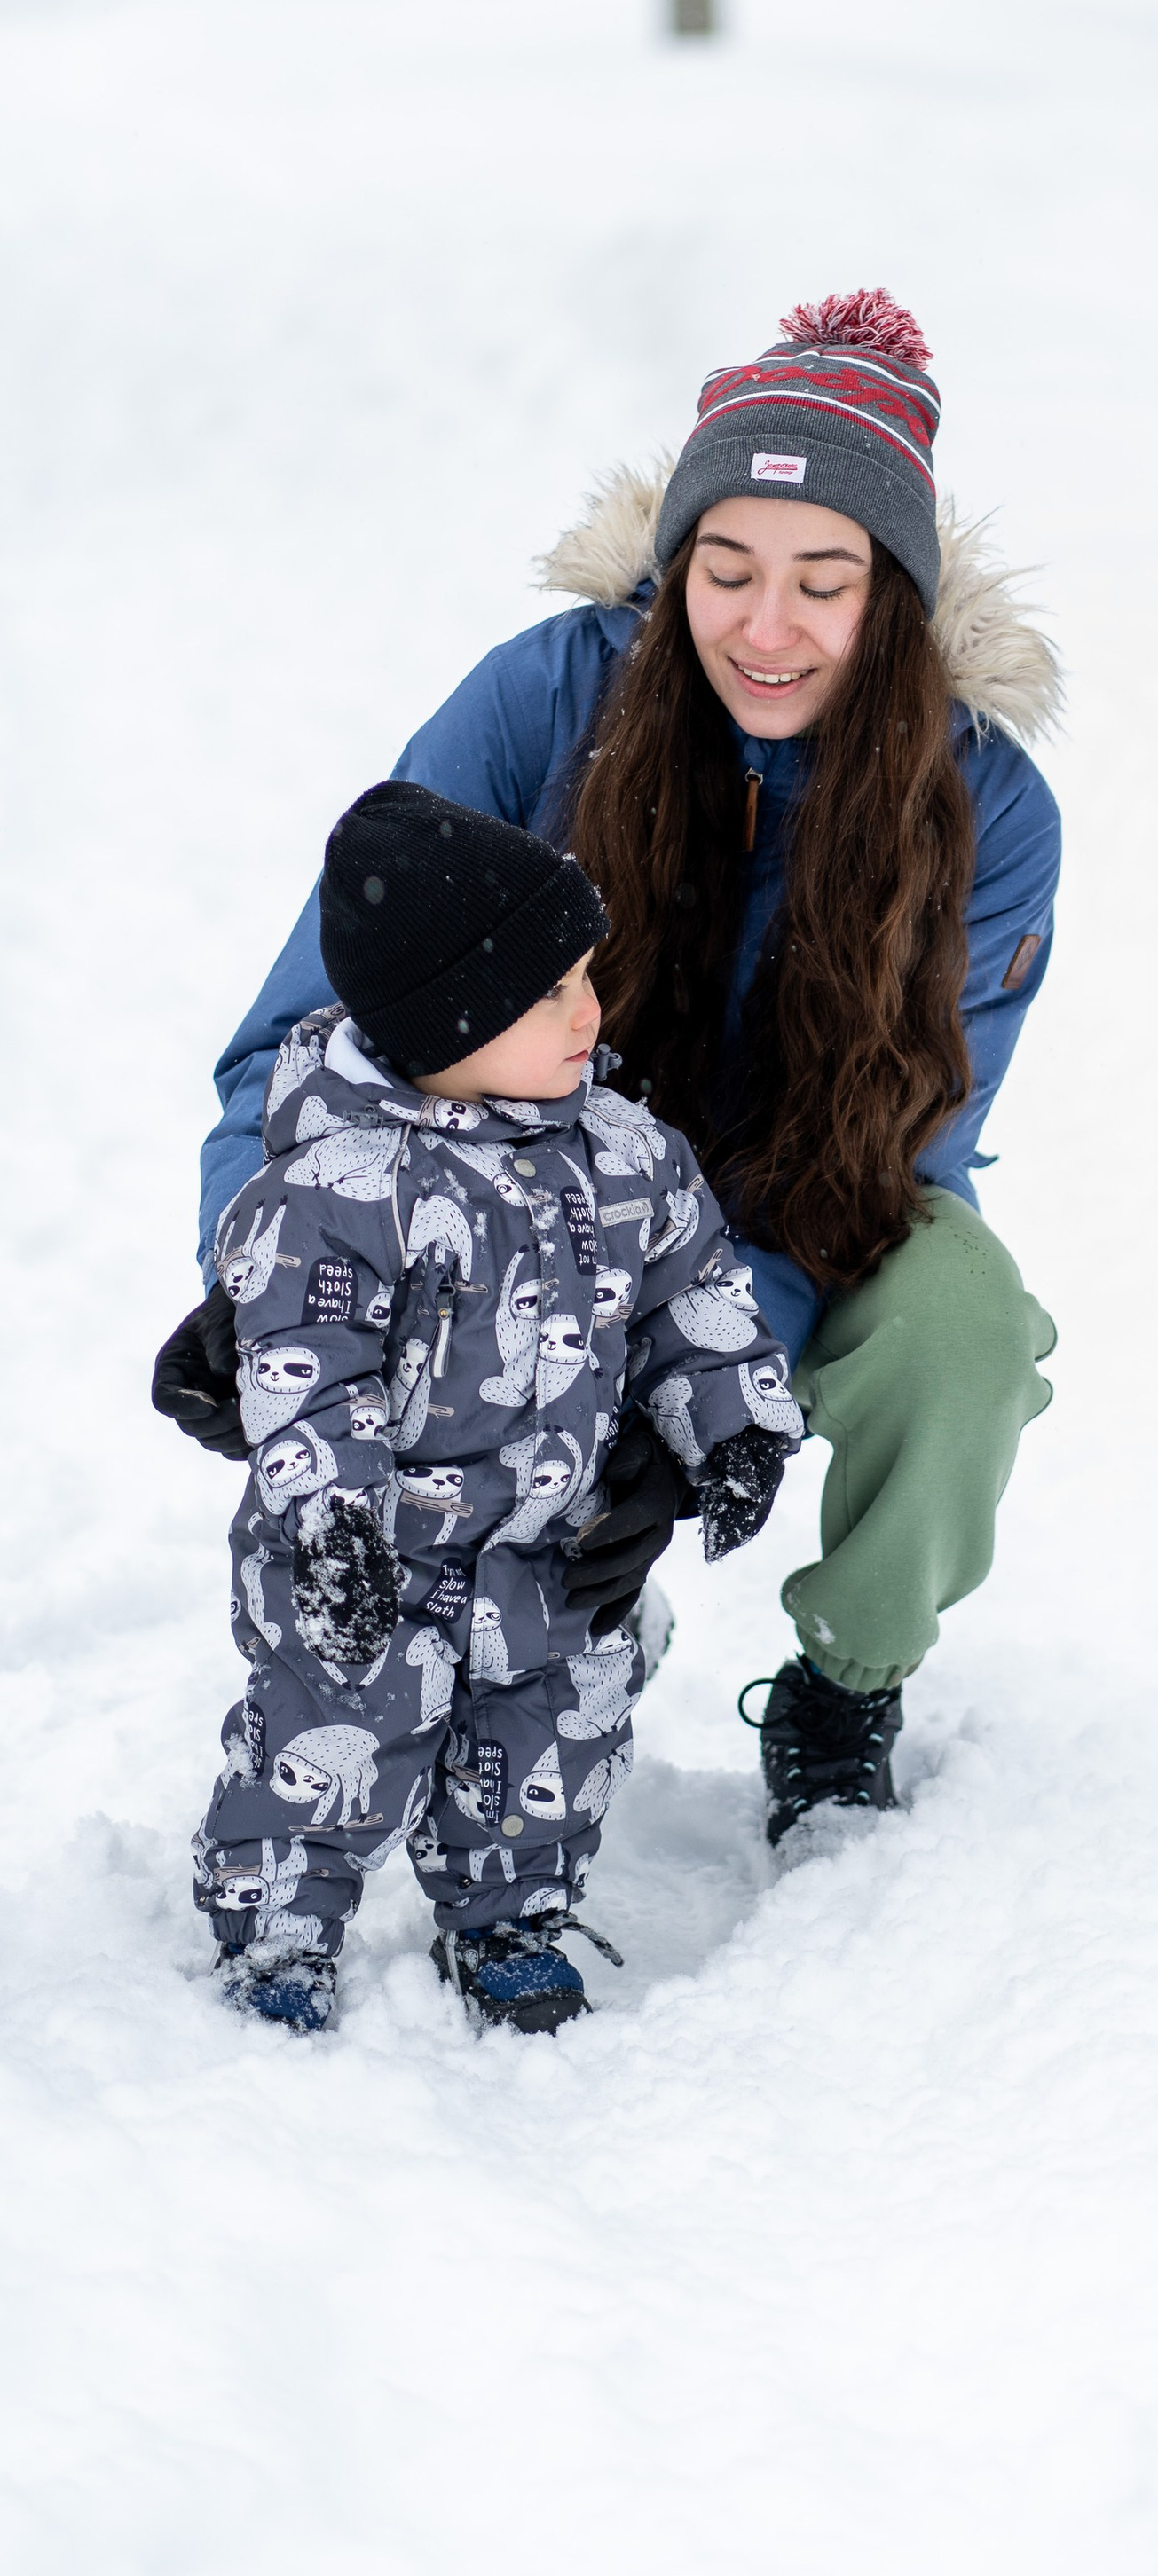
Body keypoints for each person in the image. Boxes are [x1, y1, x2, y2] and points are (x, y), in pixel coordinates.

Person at [156, 290, 1061, 1842]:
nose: (765, 629)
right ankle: (522, 1628)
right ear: (676, 563)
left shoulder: (988, 809)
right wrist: (260, 1269)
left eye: (824, 584)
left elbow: (897, 1149)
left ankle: (848, 1681)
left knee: (963, 1326)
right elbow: (320, 1021)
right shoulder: (547, 695)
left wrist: (682, 1400)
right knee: (427, 1272)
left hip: (804, 1218)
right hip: (515, 1193)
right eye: (728, 571)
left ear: (896, 599)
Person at [199, 781, 805, 2036]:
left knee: (550, 1745)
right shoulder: (333, 1193)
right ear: (443, 1024)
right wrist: (335, 1528)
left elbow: (694, 1297)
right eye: (549, 994)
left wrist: (734, 1428)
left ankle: (512, 1918)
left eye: (585, 976)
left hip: (551, 1544)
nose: (591, 1011)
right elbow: (308, 1377)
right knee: (330, 1737)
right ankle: (279, 1925)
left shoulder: (628, 1156)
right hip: (370, 1562)